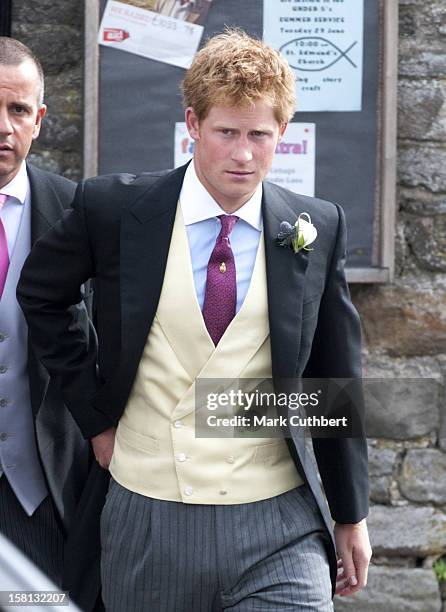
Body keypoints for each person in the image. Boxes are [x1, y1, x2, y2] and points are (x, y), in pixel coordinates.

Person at [18, 29, 372, 611]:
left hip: (279, 521)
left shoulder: (317, 225)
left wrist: (351, 515)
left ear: (282, 133)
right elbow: (42, 294)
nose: (243, 154)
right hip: (150, 518)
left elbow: (335, 379)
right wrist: (95, 417)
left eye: (260, 135)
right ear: (193, 124)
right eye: (226, 132)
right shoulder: (112, 210)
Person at [0, 38, 104, 611]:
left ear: (38, 121)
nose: (4, 126)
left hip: (41, 493)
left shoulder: (78, 213)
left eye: (18, 111)